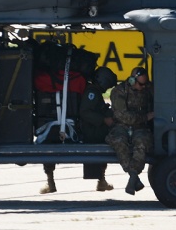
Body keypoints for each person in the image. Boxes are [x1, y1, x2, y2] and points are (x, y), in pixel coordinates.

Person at [39, 66, 118, 194]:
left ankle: (101, 180)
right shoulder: (92, 93)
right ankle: (101, 180)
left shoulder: (93, 91)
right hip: (91, 131)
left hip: (91, 129)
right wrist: (104, 120)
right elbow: (85, 112)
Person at [106, 67, 155, 195]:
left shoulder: (148, 89)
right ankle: (134, 176)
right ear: (132, 80)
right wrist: (145, 117)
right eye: (141, 84)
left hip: (141, 127)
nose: (143, 87)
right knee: (119, 141)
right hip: (121, 126)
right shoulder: (119, 91)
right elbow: (122, 115)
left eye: (145, 84)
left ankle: (133, 176)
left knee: (141, 142)